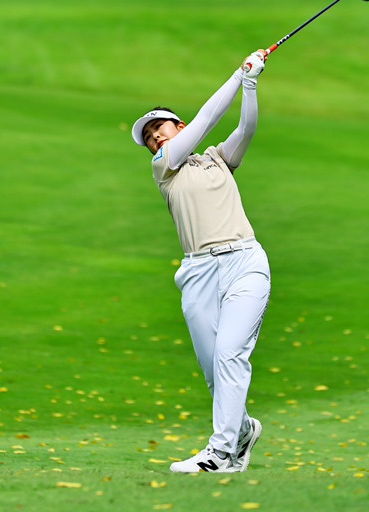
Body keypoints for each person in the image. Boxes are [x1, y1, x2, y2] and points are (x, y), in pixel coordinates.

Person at [131, 49, 271, 474]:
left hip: (245, 262)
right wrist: (236, 74)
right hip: (197, 273)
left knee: (230, 355)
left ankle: (221, 453)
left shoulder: (216, 158)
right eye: (150, 136)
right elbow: (209, 118)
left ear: (179, 126)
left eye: (161, 128)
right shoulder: (164, 166)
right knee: (215, 371)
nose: (155, 138)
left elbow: (244, 129)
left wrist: (249, 84)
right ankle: (243, 429)